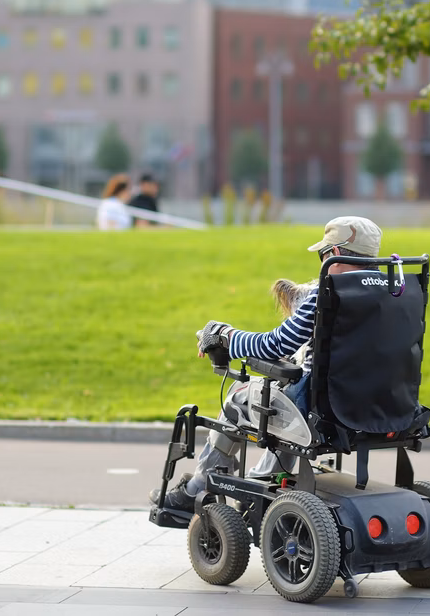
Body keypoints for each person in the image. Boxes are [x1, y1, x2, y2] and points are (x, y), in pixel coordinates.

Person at [151, 215, 384, 511]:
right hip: (379, 405)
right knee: (278, 404)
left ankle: (199, 488)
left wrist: (225, 336)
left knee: (241, 396)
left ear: (334, 254)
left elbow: (274, 345)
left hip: (324, 407)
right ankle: (265, 478)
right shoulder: (396, 291)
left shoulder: (328, 293)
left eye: (323, 254)